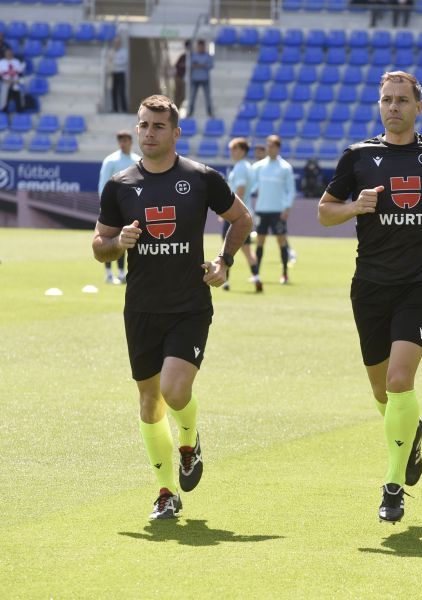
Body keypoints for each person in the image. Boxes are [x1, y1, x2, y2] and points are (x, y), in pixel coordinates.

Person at [91, 94, 253, 520]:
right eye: (144, 125)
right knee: (149, 402)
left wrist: (224, 262)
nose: (148, 133)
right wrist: (117, 243)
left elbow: (242, 218)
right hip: (141, 307)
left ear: (175, 132)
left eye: (158, 126)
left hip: (189, 304)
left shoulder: (201, 178)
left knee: (174, 390)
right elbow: (98, 246)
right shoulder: (120, 185)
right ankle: (166, 492)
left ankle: (189, 438)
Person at [318, 71, 422, 523]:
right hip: (370, 285)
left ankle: (392, 485)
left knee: (401, 381)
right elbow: (324, 212)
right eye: (387, 99)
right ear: (379, 106)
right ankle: (411, 431)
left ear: (418, 106)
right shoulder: (359, 156)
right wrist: (354, 207)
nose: (394, 107)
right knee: (384, 393)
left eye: (402, 100)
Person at [251, 135, 296, 284]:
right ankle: (256, 274)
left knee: (281, 242)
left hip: (278, 211)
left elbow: (291, 190)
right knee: (260, 242)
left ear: (278, 148)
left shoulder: (285, 167)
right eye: (268, 146)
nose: (269, 149)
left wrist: (287, 207)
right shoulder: (258, 167)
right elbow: (252, 186)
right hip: (262, 210)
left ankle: (284, 273)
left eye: (272, 146)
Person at [98, 130, 141, 284]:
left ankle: (122, 273)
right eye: (120, 141)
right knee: (108, 239)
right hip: (113, 209)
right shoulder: (111, 161)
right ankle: (109, 273)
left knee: (126, 239)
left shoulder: (137, 160)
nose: (123, 144)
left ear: (131, 142)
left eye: (125, 140)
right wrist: (106, 207)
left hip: (130, 209)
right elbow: (103, 185)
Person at [222, 137, 262, 292]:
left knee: (227, 248)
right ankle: (257, 277)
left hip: (235, 216)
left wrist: (228, 210)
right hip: (246, 213)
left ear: (241, 150)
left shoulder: (240, 168)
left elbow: (240, 189)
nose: (231, 152)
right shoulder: (248, 166)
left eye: (233, 149)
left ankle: (225, 281)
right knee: (246, 249)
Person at [188, 39, 214, 118]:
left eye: (202, 47)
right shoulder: (193, 55)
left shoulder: (208, 55)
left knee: (207, 97)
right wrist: (202, 65)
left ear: (204, 47)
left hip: (205, 79)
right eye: (199, 47)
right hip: (195, 79)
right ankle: (190, 113)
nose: (200, 48)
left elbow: (210, 65)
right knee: (192, 97)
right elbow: (191, 65)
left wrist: (199, 65)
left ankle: (210, 113)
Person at [0, 47, 24, 114]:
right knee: (4, 101)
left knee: (18, 99)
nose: (9, 54)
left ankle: (20, 112)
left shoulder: (16, 61)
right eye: (7, 53)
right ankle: (4, 113)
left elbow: (20, 73)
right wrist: (4, 80)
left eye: (10, 53)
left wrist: (17, 80)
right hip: (6, 83)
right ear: (5, 54)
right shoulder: (1, 62)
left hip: (15, 83)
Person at [110, 35, 128, 113]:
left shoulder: (124, 51)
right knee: (113, 91)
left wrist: (114, 62)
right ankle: (115, 109)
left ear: (120, 43)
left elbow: (123, 62)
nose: (116, 44)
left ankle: (124, 109)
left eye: (117, 42)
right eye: (115, 42)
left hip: (121, 73)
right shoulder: (112, 51)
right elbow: (109, 61)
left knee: (121, 91)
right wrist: (115, 61)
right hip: (113, 73)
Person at [173, 40, 190, 112]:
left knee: (183, 96)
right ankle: (175, 110)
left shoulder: (192, 56)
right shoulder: (183, 56)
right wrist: (184, 65)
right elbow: (177, 65)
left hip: (186, 79)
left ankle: (177, 109)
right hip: (179, 78)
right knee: (178, 95)